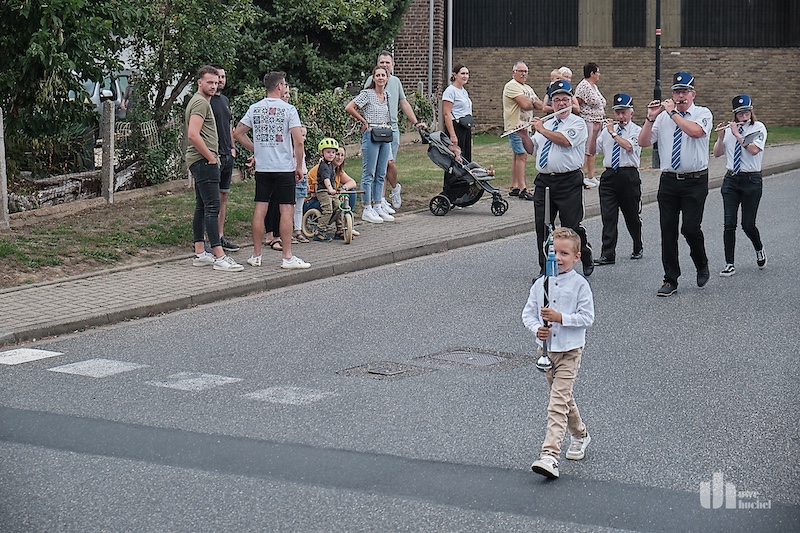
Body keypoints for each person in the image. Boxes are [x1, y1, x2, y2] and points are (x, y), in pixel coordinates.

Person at [522, 227, 595, 480]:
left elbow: (587, 318)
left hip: (570, 352)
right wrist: (537, 329)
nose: (559, 258)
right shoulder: (540, 284)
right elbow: (528, 314)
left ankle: (549, 455)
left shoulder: (580, 285)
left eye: (565, 253)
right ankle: (580, 434)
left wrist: (560, 318)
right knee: (563, 398)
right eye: (554, 253)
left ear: (576, 257)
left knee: (556, 403)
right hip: (547, 352)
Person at [638, 71, 713, 296]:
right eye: (677, 92)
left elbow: (695, 132)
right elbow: (643, 141)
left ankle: (701, 263)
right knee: (668, 230)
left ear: (693, 94)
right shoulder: (662, 117)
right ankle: (670, 279)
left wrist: (672, 113)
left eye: (684, 92)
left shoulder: (702, 113)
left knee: (690, 228)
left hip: (695, 180)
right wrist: (651, 118)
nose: (680, 96)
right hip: (669, 181)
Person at [234, 71, 310, 269]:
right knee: (286, 210)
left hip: (263, 167)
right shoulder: (289, 109)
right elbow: (298, 141)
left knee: (260, 208)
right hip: (284, 167)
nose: (285, 88)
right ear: (279, 86)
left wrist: (256, 149)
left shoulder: (254, 108)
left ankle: (256, 255)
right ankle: (287, 257)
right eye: (284, 84)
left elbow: (238, 133)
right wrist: (299, 165)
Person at [529, 80, 594, 278]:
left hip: (569, 181)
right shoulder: (547, 123)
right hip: (544, 181)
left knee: (570, 227)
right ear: (552, 103)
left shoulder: (577, 123)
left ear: (571, 101)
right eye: (557, 100)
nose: (561, 103)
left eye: (565, 99)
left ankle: (585, 253)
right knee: (543, 226)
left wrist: (541, 129)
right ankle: (546, 269)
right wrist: (524, 134)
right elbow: (531, 149)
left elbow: (565, 141)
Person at [185, 65, 243, 273]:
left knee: (202, 206)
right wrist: (210, 157)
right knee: (212, 207)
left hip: (202, 160)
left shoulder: (202, 101)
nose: (214, 85)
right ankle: (220, 256)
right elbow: (193, 134)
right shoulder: (200, 103)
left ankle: (201, 253)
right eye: (209, 82)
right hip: (204, 161)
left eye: (216, 82)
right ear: (199, 82)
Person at [712, 94, 768, 277]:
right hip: (731, 179)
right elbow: (717, 153)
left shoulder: (758, 128)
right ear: (735, 114)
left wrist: (737, 134)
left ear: (751, 112)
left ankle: (759, 248)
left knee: (748, 224)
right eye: (740, 114)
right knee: (729, 223)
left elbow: (753, 150)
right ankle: (729, 263)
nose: (743, 116)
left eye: (746, 113)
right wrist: (721, 137)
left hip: (751, 180)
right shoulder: (729, 130)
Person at [365, 51, 426, 212]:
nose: (384, 65)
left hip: (391, 129)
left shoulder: (396, 82)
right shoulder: (371, 80)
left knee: (388, 164)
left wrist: (416, 122)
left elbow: (403, 103)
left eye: (387, 62)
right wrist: (365, 122)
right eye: (382, 62)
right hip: (376, 129)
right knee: (380, 166)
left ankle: (393, 189)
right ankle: (380, 200)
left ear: (393, 65)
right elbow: (364, 102)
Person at [592, 93, 644, 265]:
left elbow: (629, 147)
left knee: (631, 215)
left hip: (628, 175)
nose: (620, 117)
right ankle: (608, 254)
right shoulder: (607, 131)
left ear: (631, 113)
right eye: (617, 113)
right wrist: (595, 131)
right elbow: (592, 150)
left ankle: (637, 245)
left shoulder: (636, 130)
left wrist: (613, 133)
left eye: (624, 113)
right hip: (609, 175)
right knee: (608, 216)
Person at [346, 65, 394, 224]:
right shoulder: (367, 94)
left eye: (383, 75)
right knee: (369, 173)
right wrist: (363, 121)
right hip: (371, 133)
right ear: (373, 78)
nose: (381, 78)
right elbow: (350, 107)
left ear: (387, 78)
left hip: (384, 133)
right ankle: (367, 207)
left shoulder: (387, 95)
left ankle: (378, 204)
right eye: (378, 75)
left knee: (381, 172)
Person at [209, 64, 240, 252]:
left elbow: (228, 125)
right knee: (209, 200)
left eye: (223, 77)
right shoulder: (206, 101)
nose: (220, 81)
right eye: (217, 77)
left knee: (223, 197)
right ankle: (206, 239)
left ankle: (220, 236)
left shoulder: (225, 100)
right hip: (214, 156)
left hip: (228, 155)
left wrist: (233, 147)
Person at [502, 60, 543, 201]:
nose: (523, 74)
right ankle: (523, 188)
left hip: (526, 126)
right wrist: (532, 102)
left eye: (525, 71)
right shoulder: (511, 86)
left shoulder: (528, 88)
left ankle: (514, 186)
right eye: (520, 71)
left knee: (517, 156)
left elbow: (540, 105)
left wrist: (533, 102)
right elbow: (526, 104)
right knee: (522, 155)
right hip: (516, 126)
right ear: (513, 72)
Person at [307, 144, 358, 239]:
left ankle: (341, 228)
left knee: (349, 195)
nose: (339, 158)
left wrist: (343, 189)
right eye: (337, 154)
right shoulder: (321, 168)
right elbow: (317, 190)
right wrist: (331, 191)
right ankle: (320, 231)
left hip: (329, 195)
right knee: (329, 207)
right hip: (313, 200)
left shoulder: (336, 170)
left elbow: (352, 182)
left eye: (342, 155)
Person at [574, 62, 606, 188]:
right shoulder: (583, 86)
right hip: (588, 121)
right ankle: (581, 177)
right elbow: (578, 103)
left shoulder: (594, 87)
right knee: (586, 150)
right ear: (592, 73)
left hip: (597, 122)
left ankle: (591, 176)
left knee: (592, 150)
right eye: (597, 72)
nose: (599, 75)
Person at [442, 63, 473, 183]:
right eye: (462, 73)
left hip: (465, 127)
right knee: (455, 158)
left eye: (467, 74)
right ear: (455, 75)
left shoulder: (464, 91)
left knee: (465, 158)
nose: (465, 76)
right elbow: (447, 113)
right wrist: (452, 135)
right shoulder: (450, 91)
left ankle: (463, 185)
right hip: (455, 127)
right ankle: (452, 186)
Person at [312, 138, 341, 242]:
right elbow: (326, 179)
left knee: (339, 207)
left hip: (330, 190)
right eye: (328, 152)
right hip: (323, 191)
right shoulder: (323, 166)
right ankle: (319, 231)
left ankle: (340, 229)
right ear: (322, 153)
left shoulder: (330, 165)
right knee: (328, 210)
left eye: (333, 152)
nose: (331, 154)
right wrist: (330, 189)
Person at [292, 125, 310, 244]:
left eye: (304, 135)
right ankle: (288, 231)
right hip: (293, 178)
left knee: (299, 207)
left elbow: (304, 165)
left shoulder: (302, 151)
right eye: (302, 135)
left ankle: (298, 230)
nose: (304, 138)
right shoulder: (291, 149)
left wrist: (307, 180)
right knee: (291, 207)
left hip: (302, 177)